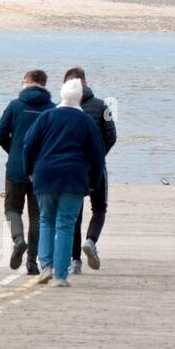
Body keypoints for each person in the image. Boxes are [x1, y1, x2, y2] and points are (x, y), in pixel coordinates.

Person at [22, 78, 106, 287]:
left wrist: (29, 171)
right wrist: (93, 181)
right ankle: (60, 275)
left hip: (45, 174)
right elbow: (97, 156)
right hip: (73, 176)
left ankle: (46, 266)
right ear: (79, 97)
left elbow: (28, 145)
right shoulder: (86, 121)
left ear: (61, 95)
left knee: (46, 220)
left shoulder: (46, 117)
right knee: (66, 225)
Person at [0, 70, 55, 274]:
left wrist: (13, 151)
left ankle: (18, 239)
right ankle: (32, 262)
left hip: (16, 168)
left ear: (27, 83)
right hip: (41, 171)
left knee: (12, 208)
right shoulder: (52, 109)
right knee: (38, 216)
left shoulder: (15, 105)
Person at [63, 67, 116, 273]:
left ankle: (75, 260)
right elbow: (111, 136)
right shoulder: (103, 105)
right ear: (86, 82)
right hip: (96, 167)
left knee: (75, 213)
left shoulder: (64, 107)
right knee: (99, 208)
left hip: (72, 167)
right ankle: (91, 241)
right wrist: (99, 155)